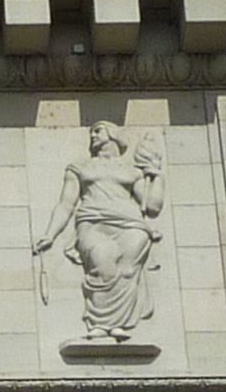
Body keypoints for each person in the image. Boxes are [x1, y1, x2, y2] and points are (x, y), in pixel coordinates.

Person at [32, 122, 165, 340]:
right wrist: (50, 234)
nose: (93, 135)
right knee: (103, 263)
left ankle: (119, 325)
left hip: (131, 224)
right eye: (92, 132)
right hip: (93, 223)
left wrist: (157, 176)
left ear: (113, 135)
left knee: (128, 271)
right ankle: (100, 322)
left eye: (98, 130)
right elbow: (66, 204)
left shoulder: (132, 171)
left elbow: (152, 207)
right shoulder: (79, 167)